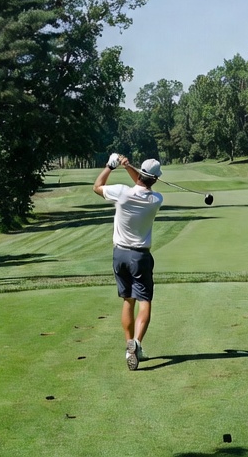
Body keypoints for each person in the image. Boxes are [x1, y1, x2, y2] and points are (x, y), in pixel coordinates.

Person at [94, 153, 163, 371]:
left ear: (141, 173)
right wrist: (128, 168)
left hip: (120, 254)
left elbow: (97, 186)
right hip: (140, 255)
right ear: (156, 179)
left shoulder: (122, 193)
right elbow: (142, 184)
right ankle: (138, 343)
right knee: (145, 302)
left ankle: (128, 346)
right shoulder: (156, 200)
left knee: (128, 300)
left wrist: (111, 166)